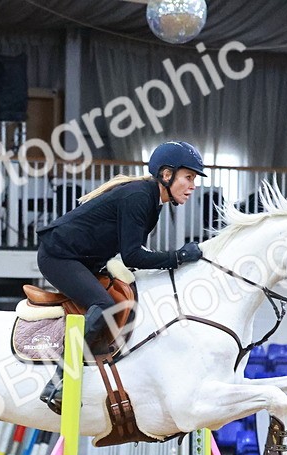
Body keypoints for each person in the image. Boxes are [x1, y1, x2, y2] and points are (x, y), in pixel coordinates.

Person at [35, 140, 208, 413]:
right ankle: (58, 382)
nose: (193, 185)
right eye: (189, 177)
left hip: (87, 259)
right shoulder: (139, 197)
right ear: (166, 174)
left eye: (194, 179)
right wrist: (179, 257)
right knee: (103, 305)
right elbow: (133, 256)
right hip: (59, 256)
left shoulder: (152, 201)